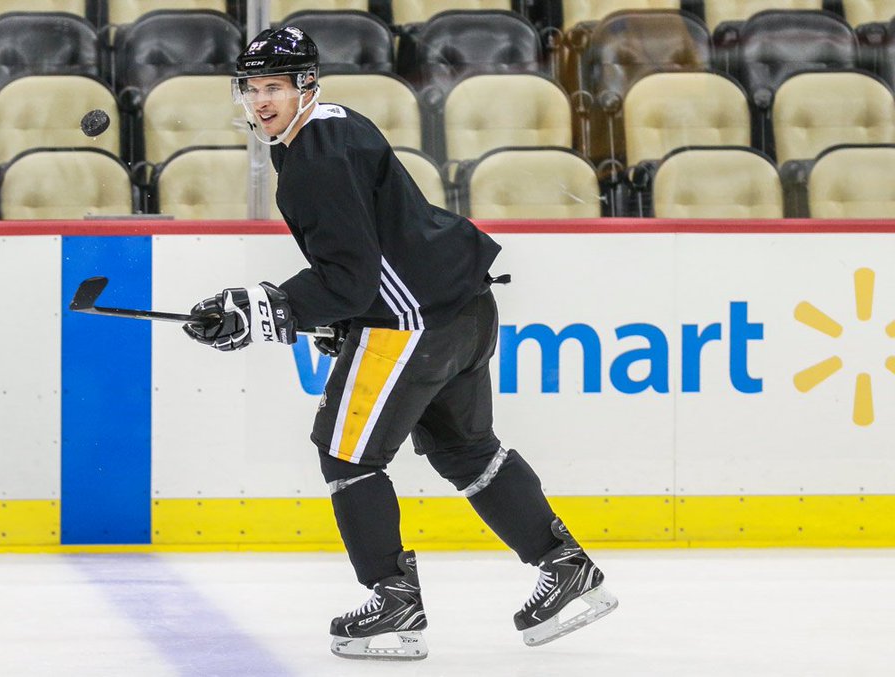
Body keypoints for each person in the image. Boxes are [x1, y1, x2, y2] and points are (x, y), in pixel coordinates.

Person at [182, 26, 617, 661]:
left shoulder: (313, 155)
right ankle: (567, 568)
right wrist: (325, 315)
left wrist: (262, 306)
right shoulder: (335, 126)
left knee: (346, 453)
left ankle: (393, 604)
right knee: (465, 449)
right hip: (461, 306)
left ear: (306, 85)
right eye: (252, 89)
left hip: (413, 326)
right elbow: (375, 255)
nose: (261, 101)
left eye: (274, 87)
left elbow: (351, 276)